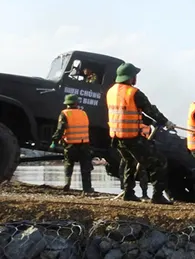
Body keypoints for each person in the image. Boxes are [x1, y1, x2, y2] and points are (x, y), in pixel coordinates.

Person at [106, 62, 176, 204]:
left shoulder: (111, 91)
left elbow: (127, 112)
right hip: (132, 138)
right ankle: (157, 195)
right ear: (131, 77)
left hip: (116, 137)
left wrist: (149, 122)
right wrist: (166, 122)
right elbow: (150, 110)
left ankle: (128, 192)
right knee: (159, 162)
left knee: (129, 162)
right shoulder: (134, 93)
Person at [50, 94, 95, 194]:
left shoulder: (64, 114)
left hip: (70, 145)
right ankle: (87, 188)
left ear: (67, 104)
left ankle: (67, 183)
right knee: (85, 167)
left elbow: (60, 129)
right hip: (84, 144)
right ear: (76, 103)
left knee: (69, 164)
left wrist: (54, 141)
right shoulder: (83, 113)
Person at [117, 122, 152, 199]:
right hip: (133, 147)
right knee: (126, 168)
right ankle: (128, 191)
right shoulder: (144, 125)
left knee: (139, 170)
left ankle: (141, 193)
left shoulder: (142, 125)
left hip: (137, 148)